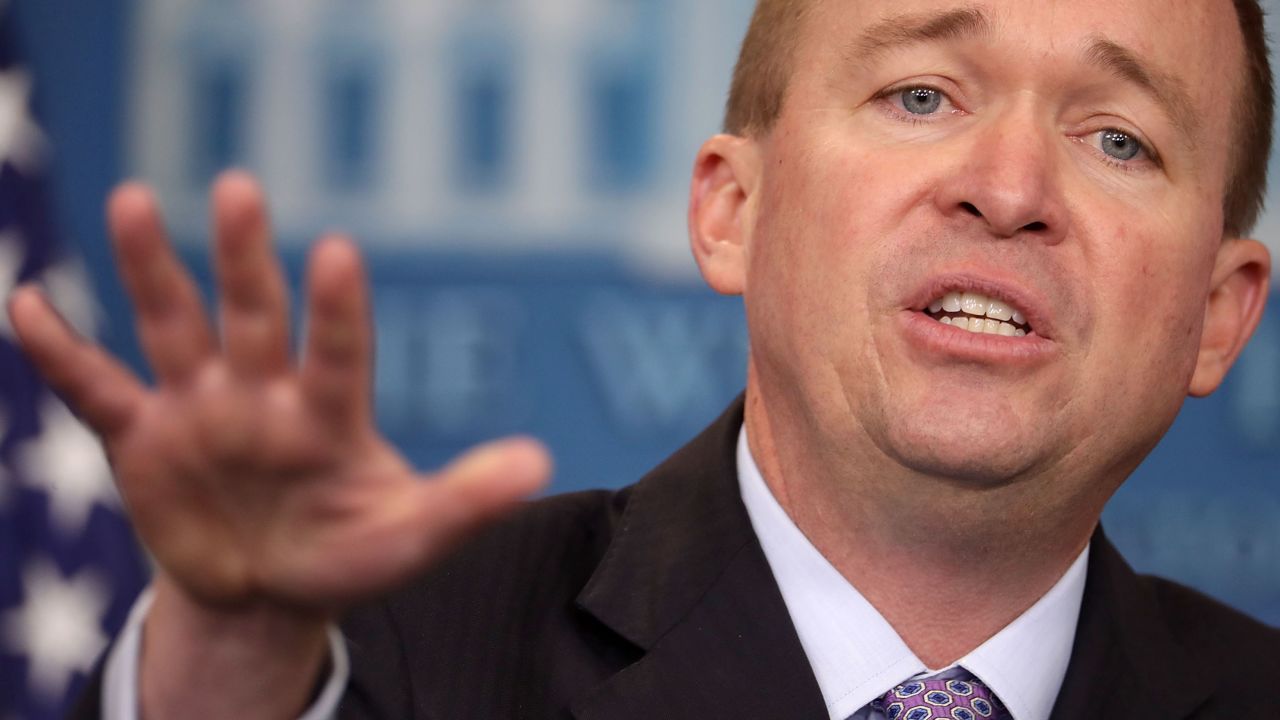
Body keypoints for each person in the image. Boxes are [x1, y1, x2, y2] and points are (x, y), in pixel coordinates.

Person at [10, 0, 1280, 717]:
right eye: (920, 97)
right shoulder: (384, 655)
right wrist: (231, 667)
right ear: (732, 210)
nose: (1007, 191)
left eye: (1118, 140)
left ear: (1219, 314)